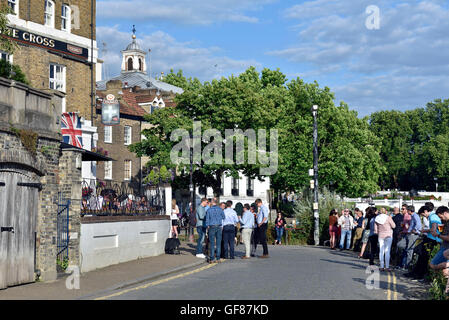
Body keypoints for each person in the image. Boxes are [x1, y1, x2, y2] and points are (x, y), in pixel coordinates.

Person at [404, 204, 441, 280]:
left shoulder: (432, 216)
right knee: (421, 256)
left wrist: (425, 230)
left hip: (432, 239)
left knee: (423, 257)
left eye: (423, 215)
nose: (424, 217)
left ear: (425, 211)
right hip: (431, 238)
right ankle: (416, 272)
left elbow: (433, 229)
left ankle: (419, 274)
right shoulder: (433, 216)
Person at [397, 205, 422, 269]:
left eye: (407, 210)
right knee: (400, 245)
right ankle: (407, 264)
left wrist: (414, 230)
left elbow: (418, 225)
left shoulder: (415, 216)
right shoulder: (412, 216)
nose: (406, 211)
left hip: (413, 235)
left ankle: (407, 266)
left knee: (409, 251)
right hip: (409, 234)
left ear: (410, 211)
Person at [429, 206, 449, 287]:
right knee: (438, 267)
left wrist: (438, 235)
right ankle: (440, 284)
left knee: (434, 265)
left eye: (440, 216)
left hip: (446, 247)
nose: (441, 218)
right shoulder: (446, 222)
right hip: (444, 246)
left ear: (445, 213)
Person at [205, 198, 225, 263]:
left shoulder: (209, 210)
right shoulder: (220, 209)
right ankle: (218, 258)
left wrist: (207, 226)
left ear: (212, 202)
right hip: (219, 226)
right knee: (218, 243)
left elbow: (207, 219)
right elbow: (224, 217)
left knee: (212, 243)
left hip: (212, 226)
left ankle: (212, 258)